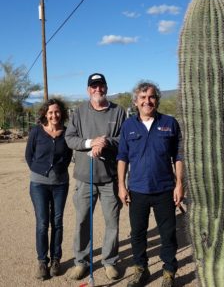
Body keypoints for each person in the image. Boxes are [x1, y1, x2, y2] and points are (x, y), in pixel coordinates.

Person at [117, 80, 184, 287]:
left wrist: (180, 183)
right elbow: (122, 157)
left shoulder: (170, 123)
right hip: (137, 190)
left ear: (157, 100)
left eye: (152, 97)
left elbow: (179, 156)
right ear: (135, 101)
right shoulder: (128, 126)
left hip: (164, 189)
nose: (148, 101)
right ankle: (141, 270)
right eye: (143, 98)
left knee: (168, 235)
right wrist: (121, 185)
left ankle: (169, 272)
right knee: (137, 234)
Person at [65, 73, 126, 281]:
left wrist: (106, 142)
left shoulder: (118, 112)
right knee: (82, 221)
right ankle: (81, 262)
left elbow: (124, 140)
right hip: (85, 178)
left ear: (106, 88)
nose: (97, 89)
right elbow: (70, 139)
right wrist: (91, 143)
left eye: (100, 86)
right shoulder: (79, 111)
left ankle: (110, 261)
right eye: (93, 86)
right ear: (88, 89)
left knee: (112, 223)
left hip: (110, 179)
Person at [25, 98, 73, 280]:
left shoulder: (67, 133)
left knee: (58, 221)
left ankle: (55, 260)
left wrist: (58, 172)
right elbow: (29, 155)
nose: (54, 115)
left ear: (62, 113)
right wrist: (40, 172)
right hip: (39, 184)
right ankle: (42, 262)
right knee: (43, 222)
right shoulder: (37, 131)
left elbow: (68, 157)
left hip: (61, 184)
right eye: (51, 112)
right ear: (45, 113)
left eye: (57, 112)